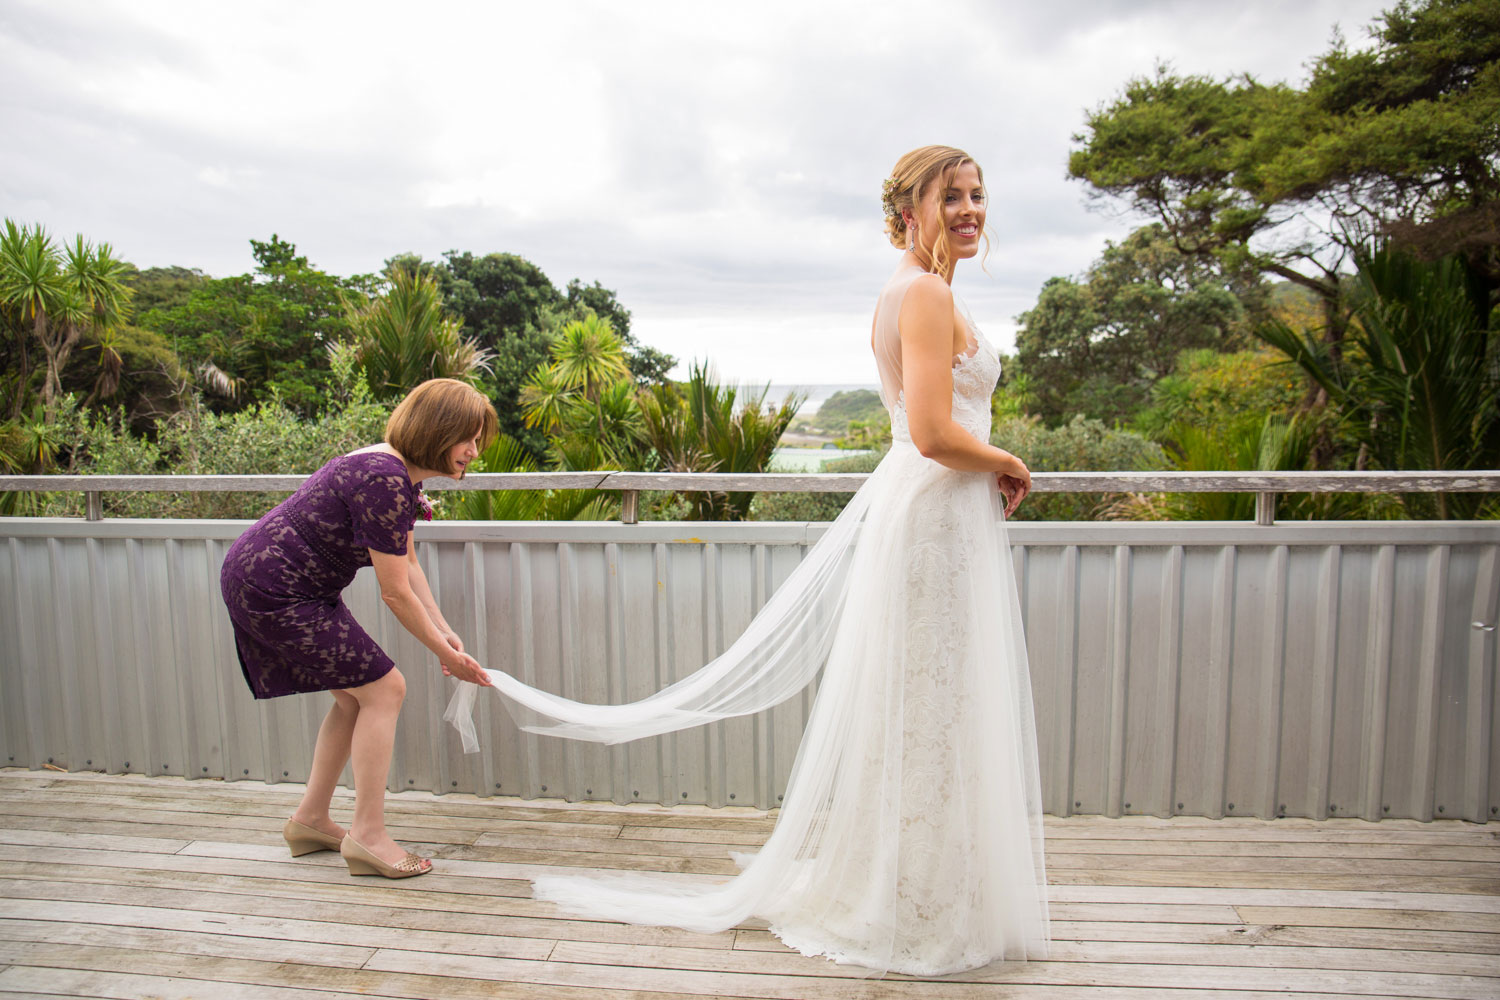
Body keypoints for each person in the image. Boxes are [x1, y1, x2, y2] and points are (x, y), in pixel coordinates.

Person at [446, 145, 1049, 975]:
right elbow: (934, 433)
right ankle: (915, 901)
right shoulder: (923, 292)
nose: (972, 209)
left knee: (934, 704)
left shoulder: (919, 290)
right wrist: (1008, 462)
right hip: (935, 514)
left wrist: (984, 467)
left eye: (979, 195)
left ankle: (932, 886)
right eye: (953, 196)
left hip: (944, 514)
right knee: (928, 704)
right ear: (910, 210)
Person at [221, 378, 496, 879]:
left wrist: (443, 627)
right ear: (438, 429)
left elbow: (407, 561)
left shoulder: (399, 474)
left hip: (285, 583)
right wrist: (447, 655)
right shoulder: (383, 478)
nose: (474, 452)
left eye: (478, 440)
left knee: (356, 695)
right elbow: (393, 592)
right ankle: (368, 837)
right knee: (385, 690)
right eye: (467, 438)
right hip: (274, 587)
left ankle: (310, 820)